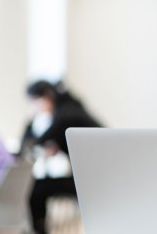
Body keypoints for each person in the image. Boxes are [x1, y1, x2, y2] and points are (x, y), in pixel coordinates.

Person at [19, 80, 101, 234]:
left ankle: (39, 230)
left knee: (36, 188)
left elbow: (30, 143)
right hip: (93, 178)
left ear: (47, 96)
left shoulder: (65, 115)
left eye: (35, 103)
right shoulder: (71, 110)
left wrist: (30, 120)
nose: (35, 108)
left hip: (92, 182)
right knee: (38, 186)